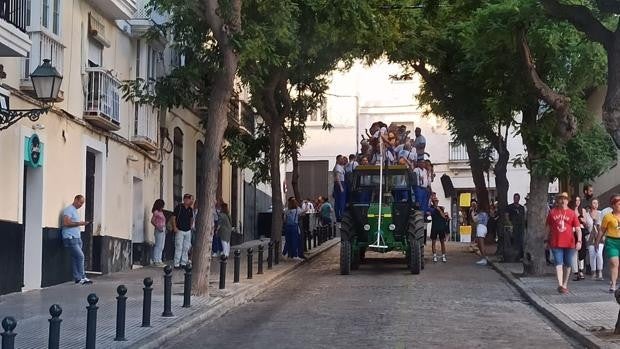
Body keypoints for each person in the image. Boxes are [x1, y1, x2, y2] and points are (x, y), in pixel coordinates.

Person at [546, 192, 581, 294]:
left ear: (567, 201)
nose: (563, 201)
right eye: (560, 199)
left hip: (569, 243)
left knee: (568, 263)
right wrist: (545, 240)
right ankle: (560, 284)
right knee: (558, 262)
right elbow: (548, 227)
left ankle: (565, 283)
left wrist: (579, 241)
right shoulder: (552, 213)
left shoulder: (572, 213)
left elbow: (578, 229)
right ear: (557, 201)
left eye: (565, 199)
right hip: (556, 242)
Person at [62, 195, 93, 285]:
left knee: (75, 258)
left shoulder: (74, 211)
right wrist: (80, 223)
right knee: (80, 256)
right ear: (75, 200)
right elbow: (66, 222)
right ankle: (82, 277)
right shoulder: (69, 210)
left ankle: (77, 278)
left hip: (76, 237)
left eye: (82, 203)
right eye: (80, 202)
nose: (81, 205)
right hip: (70, 237)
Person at [597, 194, 620, 292]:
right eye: (619, 204)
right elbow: (602, 230)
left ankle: (615, 280)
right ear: (613, 205)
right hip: (611, 241)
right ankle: (613, 285)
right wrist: (597, 241)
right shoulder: (607, 217)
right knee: (614, 263)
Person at [172, 194, 194, 269]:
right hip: (180, 230)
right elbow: (173, 217)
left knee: (186, 247)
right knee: (179, 246)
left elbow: (191, 218)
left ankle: (184, 262)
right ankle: (176, 263)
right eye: (188, 199)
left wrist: (190, 226)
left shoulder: (190, 209)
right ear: (184, 199)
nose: (190, 201)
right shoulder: (179, 208)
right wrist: (175, 227)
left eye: (190, 199)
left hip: (187, 230)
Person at [569, 196, 587, 281]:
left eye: (579, 200)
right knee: (574, 252)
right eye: (576, 200)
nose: (578, 202)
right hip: (572, 231)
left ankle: (581, 270)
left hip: (581, 230)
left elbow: (586, 222)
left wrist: (583, 220)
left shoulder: (582, 210)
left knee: (582, 251)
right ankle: (575, 272)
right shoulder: (570, 210)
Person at [587, 199, 604, 281]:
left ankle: (600, 272)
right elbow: (586, 225)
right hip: (590, 237)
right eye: (594, 202)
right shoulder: (587, 214)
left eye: (597, 203)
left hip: (599, 236)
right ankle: (593, 272)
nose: (595, 204)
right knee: (592, 255)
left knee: (599, 254)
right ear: (590, 204)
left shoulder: (601, 213)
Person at [506, 193, 526, 258]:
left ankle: (520, 255)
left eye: (517, 198)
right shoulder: (510, 207)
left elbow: (524, 217)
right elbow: (506, 216)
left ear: (519, 199)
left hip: (521, 227)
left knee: (521, 240)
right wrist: (510, 224)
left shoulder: (521, 208)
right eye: (515, 198)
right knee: (513, 241)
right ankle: (514, 255)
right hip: (513, 226)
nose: (516, 199)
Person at [430, 198, 448, 262]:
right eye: (435, 201)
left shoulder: (441, 208)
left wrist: (440, 210)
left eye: (437, 200)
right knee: (433, 242)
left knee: (442, 242)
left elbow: (444, 217)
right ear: (433, 202)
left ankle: (443, 256)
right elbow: (428, 213)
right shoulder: (431, 209)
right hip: (434, 227)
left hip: (441, 227)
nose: (436, 202)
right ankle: (434, 256)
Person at [150, 199, 166, 267]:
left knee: (161, 245)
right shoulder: (156, 212)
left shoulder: (161, 212)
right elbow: (152, 220)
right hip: (158, 229)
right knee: (158, 245)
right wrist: (157, 226)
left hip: (163, 229)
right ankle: (156, 260)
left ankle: (159, 259)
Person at [333, 155, 346, 222]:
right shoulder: (338, 167)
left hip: (340, 183)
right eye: (341, 159)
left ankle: (340, 215)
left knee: (340, 201)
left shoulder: (340, 167)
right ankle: (340, 216)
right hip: (339, 184)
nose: (342, 160)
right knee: (340, 201)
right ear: (338, 160)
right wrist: (341, 187)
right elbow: (337, 177)